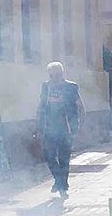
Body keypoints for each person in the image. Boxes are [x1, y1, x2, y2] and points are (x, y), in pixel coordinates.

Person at [36, 61, 85, 199]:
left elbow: (80, 106)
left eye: (57, 74)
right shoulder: (45, 87)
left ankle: (61, 185)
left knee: (64, 158)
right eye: (52, 75)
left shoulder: (71, 87)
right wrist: (38, 125)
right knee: (49, 156)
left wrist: (80, 127)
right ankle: (60, 181)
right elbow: (41, 107)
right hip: (49, 128)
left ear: (62, 74)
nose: (54, 78)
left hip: (66, 129)